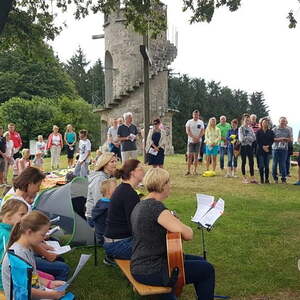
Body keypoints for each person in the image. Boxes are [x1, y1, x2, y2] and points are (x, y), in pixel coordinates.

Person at [130, 168, 215, 300]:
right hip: (151, 269)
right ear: (162, 185)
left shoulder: (141, 204)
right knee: (207, 269)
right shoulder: (156, 208)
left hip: (141, 263)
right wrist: (179, 223)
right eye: (168, 182)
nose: (171, 185)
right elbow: (188, 235)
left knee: (200, 261)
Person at [2, 211, 66, 299]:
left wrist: (49, 283)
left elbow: (32, 277)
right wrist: (52, 295)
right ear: (29, 232)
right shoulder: (18, 256)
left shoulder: (27, 248)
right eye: (42, 235)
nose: (44, 238)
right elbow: (25, 291)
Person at [103, 159, 144, 263]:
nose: (144, 171)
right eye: (141, 168)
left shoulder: (123, 189)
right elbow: (135, 226)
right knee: (156, 249)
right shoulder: (129, 194)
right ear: (132, 173)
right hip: (118, 245)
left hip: (114, 242)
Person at [0, 199, 28, 292]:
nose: (26, 218)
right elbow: (4, 263)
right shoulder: (5, 236)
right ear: (8, 217)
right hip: (4, 284)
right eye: (22, 214)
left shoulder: (9, 231)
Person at [85, 152, 118, 226]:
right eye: (112, 162)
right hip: (96, 216)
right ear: (105, 164)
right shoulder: (99, 178)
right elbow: (98, 201)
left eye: (116, 161)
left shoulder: (109, 176)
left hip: (103, 211)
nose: (115, 164)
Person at [92, 178, 118, 246]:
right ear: (108, 191)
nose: (118, 189)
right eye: (116, 187)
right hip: (108, 239)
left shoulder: (100, 202)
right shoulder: (109, 207)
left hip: (100, 236)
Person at [272, 117, 293, 184]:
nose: (283, 122)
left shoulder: (288, 130)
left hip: (284, 149)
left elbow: (291, 139)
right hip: (275, 149)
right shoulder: (274, 129)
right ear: (279, 121)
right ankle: (275, 178)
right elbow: (271, 139)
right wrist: (279, 139)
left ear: (285, 122)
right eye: (281, 121)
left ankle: (283, 179)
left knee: (283, 164)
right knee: (274, 164)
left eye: (284, 121)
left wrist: (285, 139)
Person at [238, 114, 257, 184]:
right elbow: (241, 139)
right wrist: (249, 138)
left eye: (248, 120)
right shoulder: (241, 128)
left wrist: (247, 137)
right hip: (243, 147)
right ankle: (244, 177)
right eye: (246, 120)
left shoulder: (250, 128)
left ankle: (252, 177)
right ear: (243, 120)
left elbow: (254, 138)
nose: (247, 121)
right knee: (244, 162)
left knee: (251, 162)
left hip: (250, 147)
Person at [185, 110, 204, 175]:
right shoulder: (189, 122)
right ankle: (188, 170)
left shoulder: (201, 122)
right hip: (191, 141)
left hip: (198, 141)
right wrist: (193, 137)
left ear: (199, 115)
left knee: (196, 156)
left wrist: (198, 138)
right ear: (192, 115)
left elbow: (202, 131)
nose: (196, 116)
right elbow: (187, 131)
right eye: (195, 115)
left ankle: (195, 170)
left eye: (197, 115)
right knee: (190, 156)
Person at [256, 118, 274, 184]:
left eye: (266, 122)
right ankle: (261, 179)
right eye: (263, 122)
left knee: (266, 166)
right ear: (261, 123)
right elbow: (257, 141)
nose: (265, 123)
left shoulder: (271, 131)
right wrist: (263, 146)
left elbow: (272, 140)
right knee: (261, 166)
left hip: (268, 151)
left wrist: (267, 146)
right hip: (260, 150)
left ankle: (266, 179)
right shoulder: (258, 131)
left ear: (268, 124)